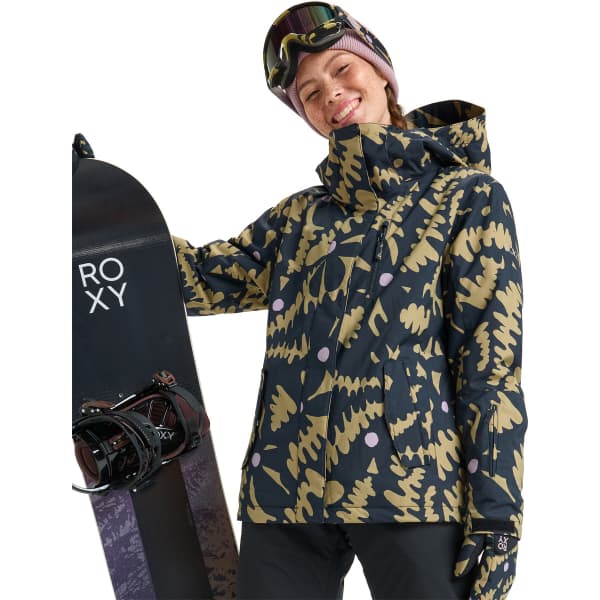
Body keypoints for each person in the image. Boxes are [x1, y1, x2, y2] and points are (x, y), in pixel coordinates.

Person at [173, 3, 527, 599]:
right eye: (310, 93)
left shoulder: (465, 198)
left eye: (342, 69)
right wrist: (104, 217)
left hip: (409, 489)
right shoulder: (299, 218)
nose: (331, 94)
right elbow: (202, 280)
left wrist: (497, 516)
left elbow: (489, 365)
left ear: (382, 74)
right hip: (286, 492)